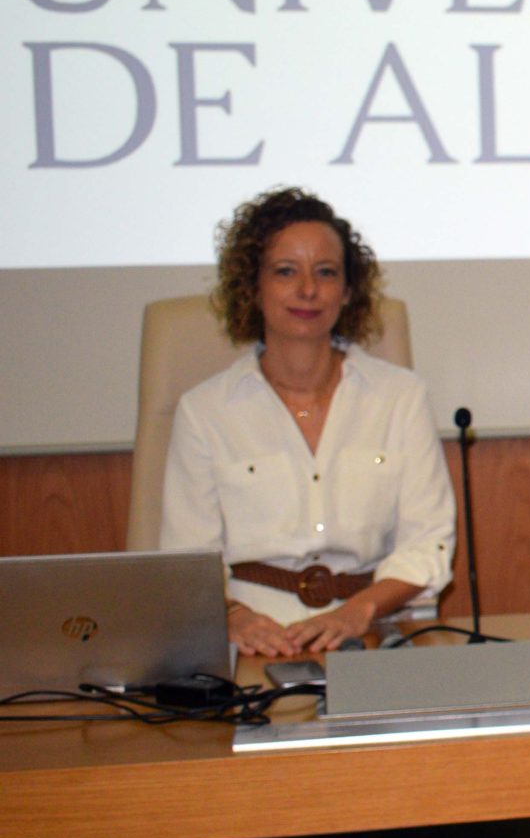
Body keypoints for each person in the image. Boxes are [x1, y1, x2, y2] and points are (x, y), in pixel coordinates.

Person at [161, 188, 456, 654]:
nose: (307, 290)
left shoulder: (401, 397)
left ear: (348, 291)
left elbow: (428, 542)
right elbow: (187, 562)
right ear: (252, 288)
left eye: (326, 272)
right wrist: (236, 619)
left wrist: (358, 611)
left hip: (369, 634)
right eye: (285, 271)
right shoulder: (205, 411)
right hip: (251, 643)